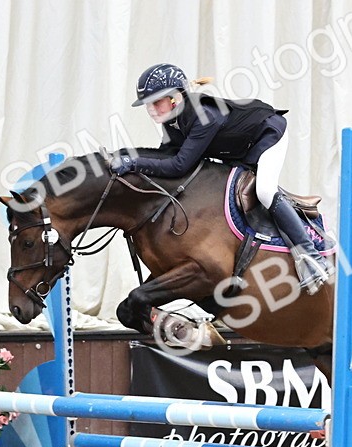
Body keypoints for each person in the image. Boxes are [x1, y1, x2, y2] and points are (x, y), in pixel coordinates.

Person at [115, 62, 332, 293]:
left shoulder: (203, 115)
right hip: (239, 147)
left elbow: (179, 165)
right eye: (148, 104)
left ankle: (311, 254)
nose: (151, 109)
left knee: (265, 191)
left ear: (174, 98)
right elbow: (166, 156)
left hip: (268, 134)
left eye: (155, 102)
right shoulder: (173, 122)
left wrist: (134, 163)